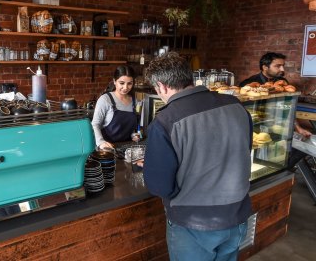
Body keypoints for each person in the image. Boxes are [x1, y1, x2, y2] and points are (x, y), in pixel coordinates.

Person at [143, 52, 253, 261]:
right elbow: (244, 150)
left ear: (161, 86)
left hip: (193, 225)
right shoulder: (236, 105)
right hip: (238, 215)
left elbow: (160, 186)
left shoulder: (166, 121)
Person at [239, 52, 311, 138]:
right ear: (265, 67)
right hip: (253, 128)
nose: (282, 69)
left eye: (283, 66)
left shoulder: (283, 83)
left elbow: (287, 107)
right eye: (278, 66)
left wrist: (298, 128)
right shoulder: (248, 84)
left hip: (276, 128)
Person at [91, 66, 140, 151]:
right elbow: (95, 124)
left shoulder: (135, 101)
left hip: (127, 149)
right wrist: (100, 142)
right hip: (107, 149)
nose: (125, 87)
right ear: (114, 81)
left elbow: (133, 128)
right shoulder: (105, 99)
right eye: (122, 83)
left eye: (129, 83)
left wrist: (135, 135)